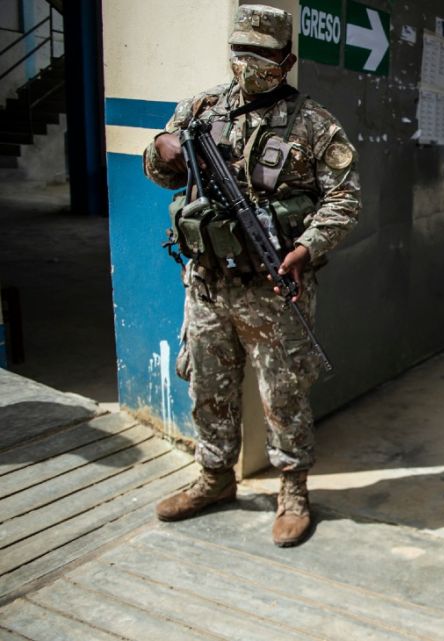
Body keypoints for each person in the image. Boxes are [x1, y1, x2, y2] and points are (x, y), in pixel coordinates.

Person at [144, 5, 360, 547]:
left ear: (285, 60)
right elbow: (160, 169)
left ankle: (292, 490)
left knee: (283, 393)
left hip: (272, 286)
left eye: (262, 56)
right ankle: (215, 478)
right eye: (241, 53)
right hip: (208, 282)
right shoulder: (200, 108)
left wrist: (307, 249)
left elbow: (345, 199)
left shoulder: (314, 124)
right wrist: (161, 148)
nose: (249, 65)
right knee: (208, 387)